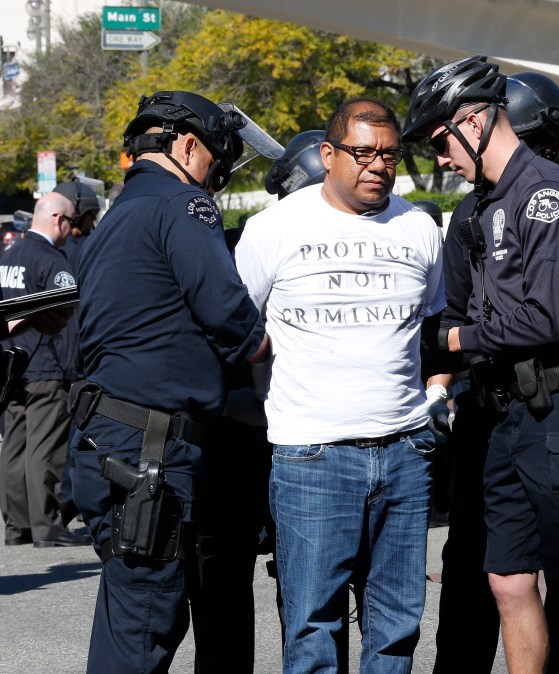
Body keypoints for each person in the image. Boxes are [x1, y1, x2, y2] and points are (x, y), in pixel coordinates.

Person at [402, 55, 559, 674]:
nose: (440, 161)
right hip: (502, 414)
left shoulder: (548, 197)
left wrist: (448, 341)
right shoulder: (482, 206)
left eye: (440, 142)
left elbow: (544, 320)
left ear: (475, 121)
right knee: (507, 581)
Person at [67, 90, 275, 673]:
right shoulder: (185, 207)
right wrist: (272, 343)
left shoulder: (116, 216)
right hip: (152, 452)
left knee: (126, 617)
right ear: (187, 145)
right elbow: (229, 316)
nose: (214, 182)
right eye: (214, 163)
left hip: (108, 440)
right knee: (144, 630)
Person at [236, 98, 444, 674]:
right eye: (362, 152)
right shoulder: (272, 230)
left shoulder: (420, 228)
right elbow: (236, 330)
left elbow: (434, 326)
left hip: (406, 451)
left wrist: (438, 394)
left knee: (398, 624)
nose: (377, 164)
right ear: (328, 155)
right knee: (312, 627)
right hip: (313, 458)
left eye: (389, 154)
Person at [193, 128, 330, 673]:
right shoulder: (243, 241)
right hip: (236, 438)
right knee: (223, 580)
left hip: (306, 438)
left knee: (309, 587)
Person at [0, 190, 88, 548]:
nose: (70, 231)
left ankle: (16, 527)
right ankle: (47, 527)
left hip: (11, 364)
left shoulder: (8, 255)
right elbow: (65, 320)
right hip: (45, 366)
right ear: (58, 220)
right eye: (70, 223)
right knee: (45, 448)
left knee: (14, 446)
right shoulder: (51, 261)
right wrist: (73, 369)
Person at [52, 179, 101, 267]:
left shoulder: (44, 245)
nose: (94, 218)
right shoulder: (84, 249)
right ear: (76, 216)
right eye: (91, 213)